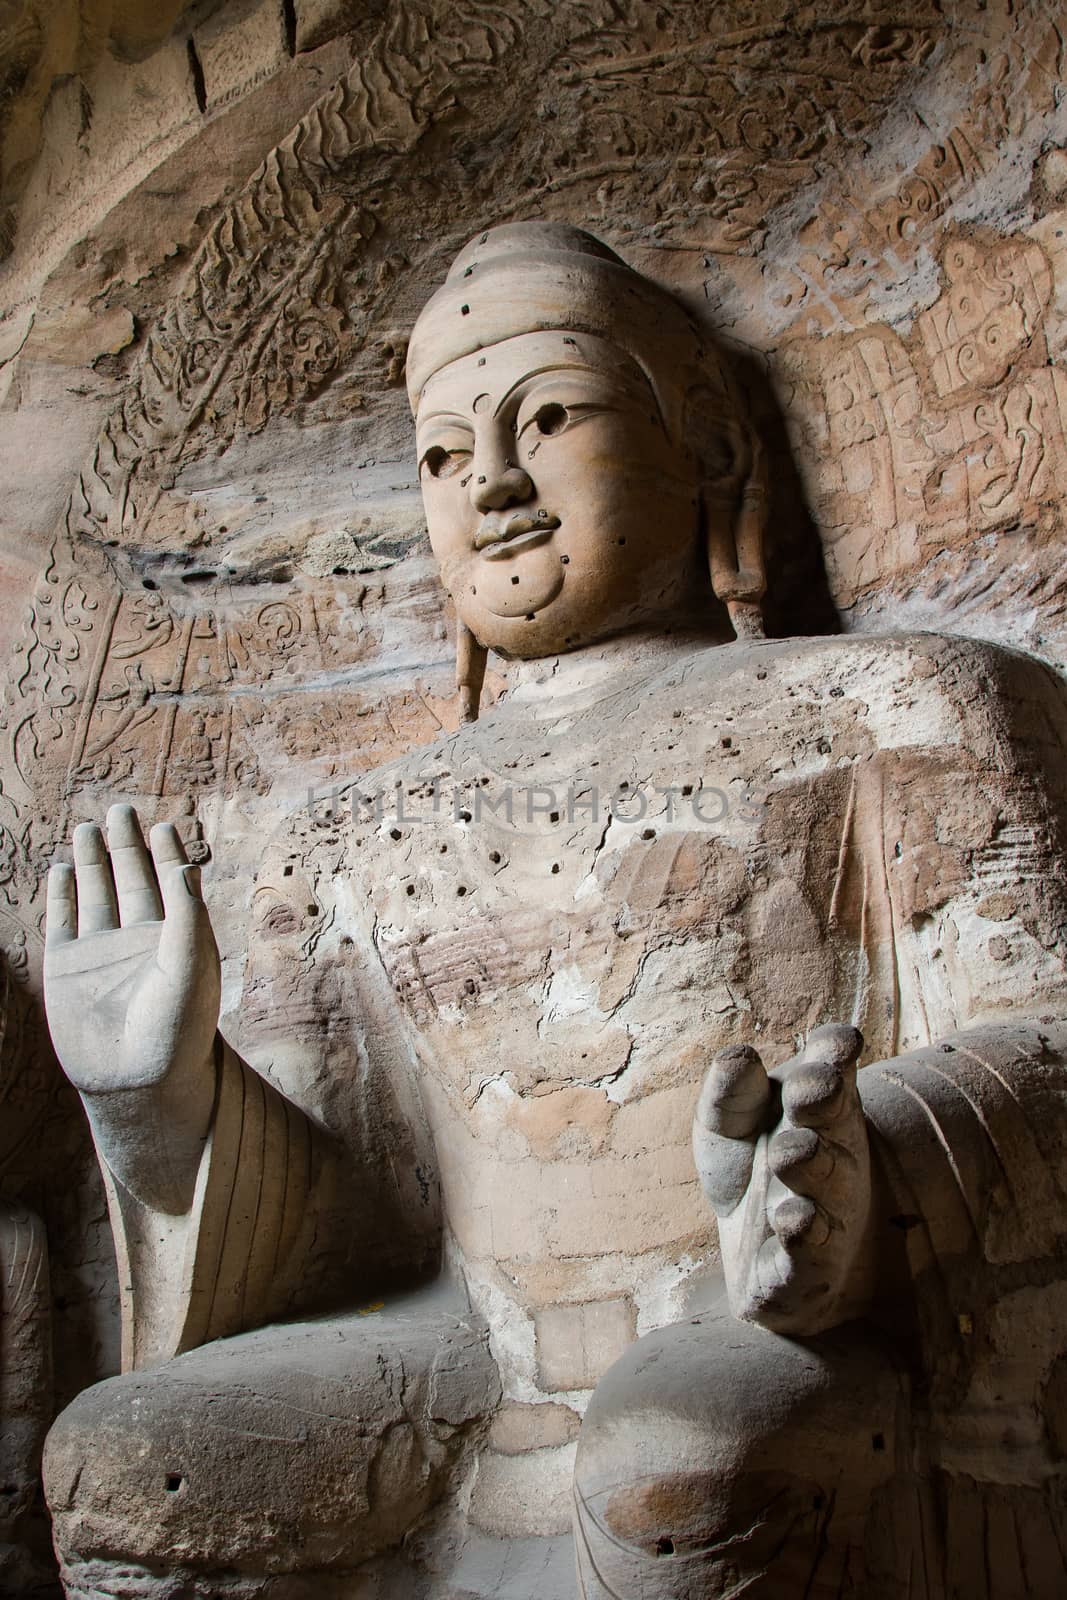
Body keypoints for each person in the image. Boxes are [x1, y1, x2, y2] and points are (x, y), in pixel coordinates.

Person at [41, 224, 1067, 1596]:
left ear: (702, 444)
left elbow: (1044, 1035)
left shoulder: (899, 704)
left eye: (551, 417)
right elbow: (356, 1228)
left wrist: (862, 1174)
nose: (496, 485)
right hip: (464, 1349)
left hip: (742, 1323)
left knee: (683, 1457)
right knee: (122, 1470)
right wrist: (156, 1105)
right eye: (446, 456)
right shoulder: (343, 831)